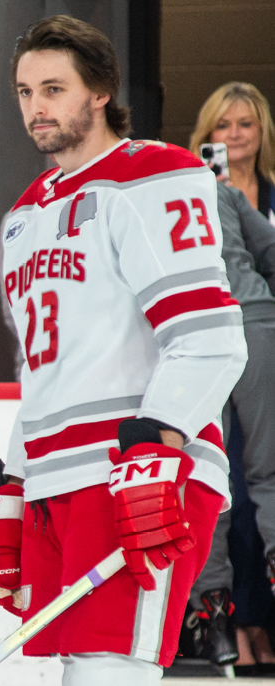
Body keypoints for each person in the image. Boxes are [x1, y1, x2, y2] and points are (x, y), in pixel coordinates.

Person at [0, 15, 248, 684]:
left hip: (135, 474)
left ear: (99, 91)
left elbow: (209, 333)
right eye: (24, 91)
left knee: (108, 672)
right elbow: (43, 371)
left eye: (54, 88)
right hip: (56, 484)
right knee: (73, 673)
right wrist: (11, 482)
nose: (36, 107)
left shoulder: (154, 174)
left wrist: (161, 443)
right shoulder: (24, 215)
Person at [182, 180, 275, 668]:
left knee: (206, 478)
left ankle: (214, 618)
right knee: (271, 476)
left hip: (196, 330)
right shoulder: (222, 189)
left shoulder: (137, 190)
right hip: (256, 320)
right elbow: (272, 250)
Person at [191, 82, 275, 224]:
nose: (234, 134)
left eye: (245, 124)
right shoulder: (191, 193)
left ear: (262, 131)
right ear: (208, 134)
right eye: (222, 126)